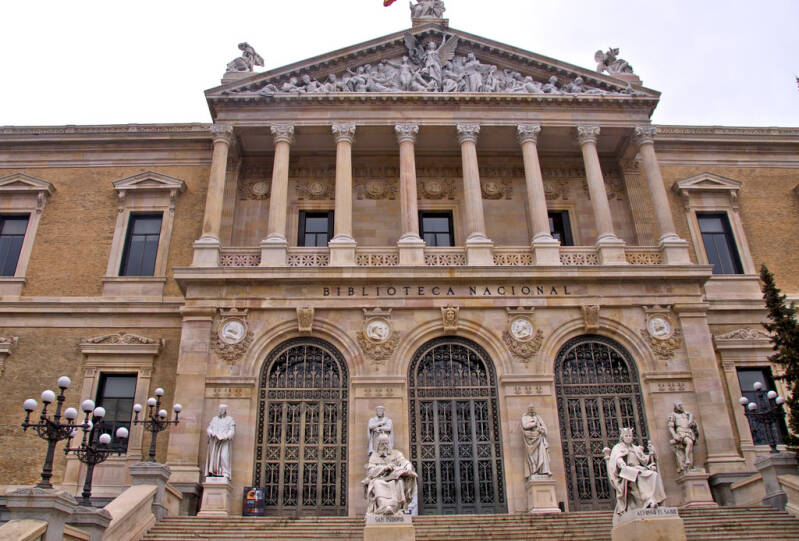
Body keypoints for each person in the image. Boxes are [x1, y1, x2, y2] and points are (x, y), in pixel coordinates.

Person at [605, 427, 665, 518]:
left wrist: (652, 454)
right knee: (638, 475)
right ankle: (648, 500)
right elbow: (617, 459)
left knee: (653, 474)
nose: (628, 437)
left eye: (630, 436)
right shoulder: (618, 448)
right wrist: (622, 464)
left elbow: (644, 460)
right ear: (622, 437)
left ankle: (653, 499)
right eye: (626, 436)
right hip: (627, 471)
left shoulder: (636, 448)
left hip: (639, 468)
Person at [363, 432, 418, 515]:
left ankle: (394, 507)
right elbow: (371, 471)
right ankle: (384, 506)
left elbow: (404, 462)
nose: (384, 446)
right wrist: (383, 468)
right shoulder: (374, 457)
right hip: (380, 479)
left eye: (386, 443)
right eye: (382, 444)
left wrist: (408, 468)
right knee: (377, 483)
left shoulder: (396, 453)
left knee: (399, 482)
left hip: (394, 480)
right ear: (378, 444)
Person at [667, 401, 699, 473]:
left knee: (690, 447)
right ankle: (687, 460)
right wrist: (674, 435)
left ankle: (689, 464)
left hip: (688, 431)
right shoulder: (673, 415)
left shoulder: (687, 414)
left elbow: (693, 424)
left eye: (681, 405)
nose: (681, 407)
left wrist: (693, 424)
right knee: (689, 442)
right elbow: (671, 426)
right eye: (679, 405)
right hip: (681, 432)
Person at [205, 404, 235, 480]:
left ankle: (225, 472)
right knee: (214, 457)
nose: (221, 411)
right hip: (215, 441)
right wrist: (212, 433)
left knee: (223, 456)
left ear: (225, 410)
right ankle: (214, 472)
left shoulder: (230, 419)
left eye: (222, 409)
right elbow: (209, 428)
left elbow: (232, 431)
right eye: (220, 409)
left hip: (224, 441)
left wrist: (225, 437)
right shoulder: (214, 419)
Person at [521, 405, 551, 477]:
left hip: (539, 437)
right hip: (530, 438)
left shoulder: (538, 417)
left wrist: (541, 430)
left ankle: (543, 470)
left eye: (532, 410)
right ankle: (534, 470)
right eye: (530, 410)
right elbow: (525, 426)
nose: (532, 411)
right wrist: (533, 424)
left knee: (541, 453)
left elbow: (544, 428)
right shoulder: (525, 417)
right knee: (532, 455)